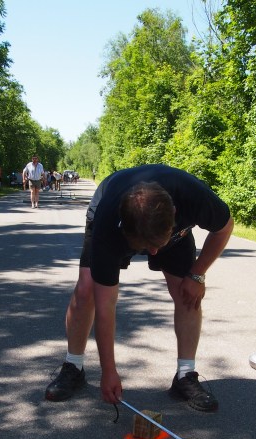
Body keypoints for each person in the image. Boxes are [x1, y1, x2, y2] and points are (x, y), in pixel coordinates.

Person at [45, 164, 234, 412]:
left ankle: (185, 375)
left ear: (175, 213)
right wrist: (109, 371)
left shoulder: (193, 196)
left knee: (187, 292)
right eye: (145, 247)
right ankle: (73, 365)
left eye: (156, 246)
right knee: (86, 290)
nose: (152, 253)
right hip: (112, 210)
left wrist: (197, 274)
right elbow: (105, 306)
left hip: (172, 230)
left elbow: (225, 228)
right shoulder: (108, 225)